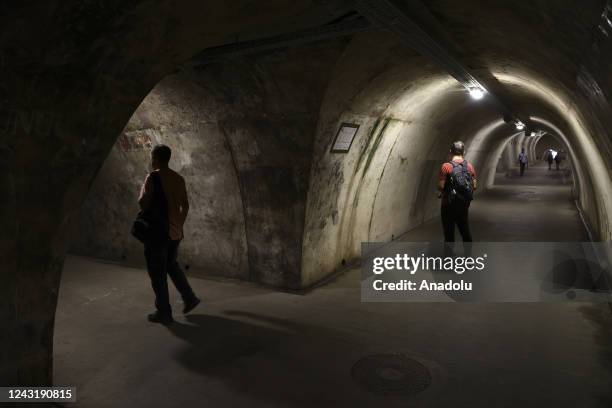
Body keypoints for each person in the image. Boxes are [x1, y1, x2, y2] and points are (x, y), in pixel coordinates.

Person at [138, 145, 200, 324]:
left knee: (157, 273)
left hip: (157, 233)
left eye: (152, 157)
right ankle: (189, 298)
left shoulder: (153, 177)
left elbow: (142, 203)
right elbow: (185, 206)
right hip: (175, 232)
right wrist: (178, 224)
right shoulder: (178, 178)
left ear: (155, 158)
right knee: (172, 265)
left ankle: (164, 312)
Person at [438, 141, 477, 242]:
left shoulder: (446, 166)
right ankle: (468, 256)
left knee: (449, 234)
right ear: (464, 152)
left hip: (448, 204)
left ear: (450, 151)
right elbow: (475, 186)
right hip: (463, 204)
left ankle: (449, 257)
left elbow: (441, 186)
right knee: (465, 231)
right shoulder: (470, 166)